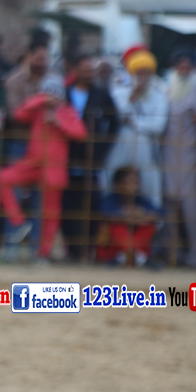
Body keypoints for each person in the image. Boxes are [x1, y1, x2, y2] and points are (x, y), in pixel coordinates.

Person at [0, 76, 87, 261]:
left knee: (50, 213)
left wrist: (59, 121)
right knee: (2, 178)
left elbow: (81, 133)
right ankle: (18, 223)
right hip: (33, 163)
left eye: (53, 94)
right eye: (46, 93)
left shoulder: (67, 111)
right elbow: (20, 114)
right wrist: (40, 100)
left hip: (54, 168)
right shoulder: (38, 110)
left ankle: (43, 253)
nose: (49, 97)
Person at [61, 57, 120, 260]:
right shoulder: (64, 93)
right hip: (66, 158)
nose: (88, 74)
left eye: (90, 70)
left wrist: (102, 149)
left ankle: (88, 249)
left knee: (91, 204)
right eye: (84, 70)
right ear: (75, 70)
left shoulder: (101, 94)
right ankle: (71, 249)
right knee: (67, 205)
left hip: (91, 159)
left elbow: (114, 123)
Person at [155, 46, 196, 268]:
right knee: (168, 205)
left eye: (188, 66)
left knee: (191, 207)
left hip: (190, 155)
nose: (183, 70)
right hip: (167, 155)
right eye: (180, 66)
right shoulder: (166, 88)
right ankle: (171, 254)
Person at [103, 50, 168, 208]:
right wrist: (133, 98)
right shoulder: (119, 92)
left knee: (147, 182)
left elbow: (158, 126)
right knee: (111, 177)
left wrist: (135, 123)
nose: (143, 78)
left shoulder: (159, 97)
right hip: (120, 145)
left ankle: (151, 214)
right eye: (140, 73)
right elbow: (119, 117)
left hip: (146, 148)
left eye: (147, 74)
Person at [96, 166, 161, 265]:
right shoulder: (111, 200)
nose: (133, 186)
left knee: (149, 226)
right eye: (129, 182)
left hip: (137, 245)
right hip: (115, 248)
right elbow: (108, 215)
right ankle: (125, 255)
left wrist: (134, 216)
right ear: (118, 185)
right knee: (115, 226)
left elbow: (156, 214)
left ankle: (134, 255)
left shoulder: (141, 200)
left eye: (136, 182)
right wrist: (133, 216)